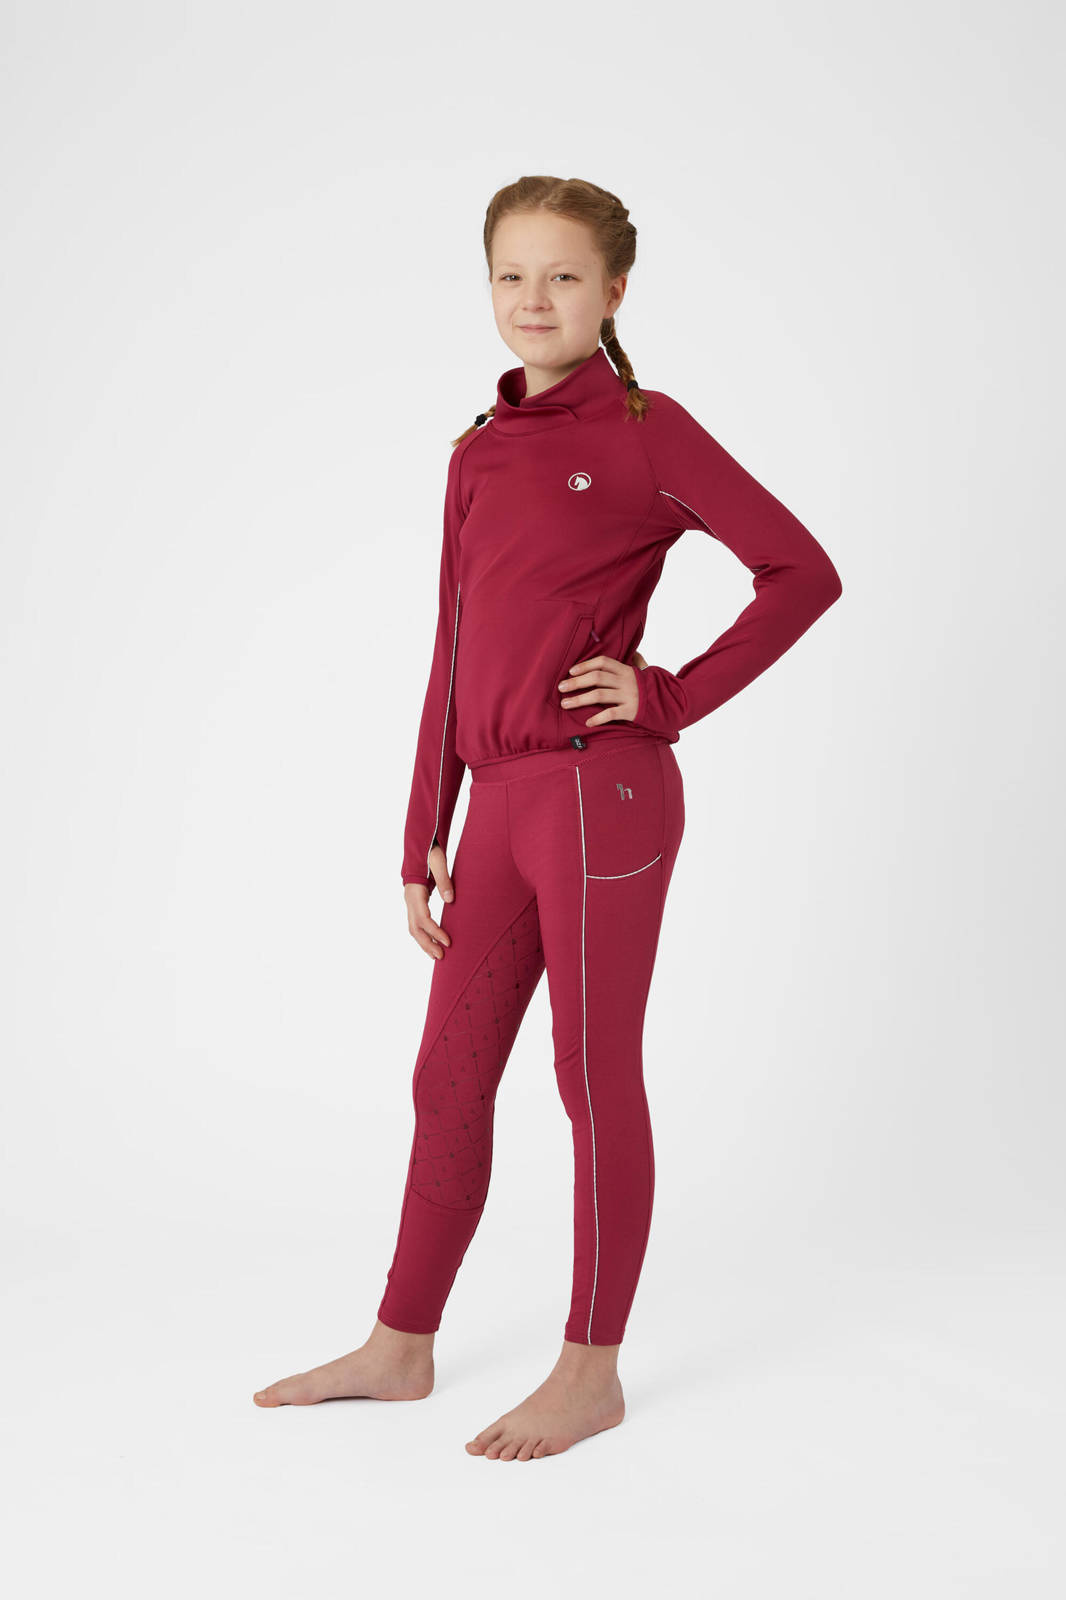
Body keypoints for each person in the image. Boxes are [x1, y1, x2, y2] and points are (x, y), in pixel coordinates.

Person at [253, 175, 843, 1458]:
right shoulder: (476, 449)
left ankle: (590, 1370)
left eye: (563, 276)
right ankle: (400, 1344)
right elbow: (452, 643)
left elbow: (801, 573)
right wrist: (422, 826)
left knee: (588, 1072)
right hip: (498, 805)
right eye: (510, 275)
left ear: (613, 292)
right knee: (445, 1072)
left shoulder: (646, 430)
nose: (534, 298)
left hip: (597, 794)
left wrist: (665, 694)